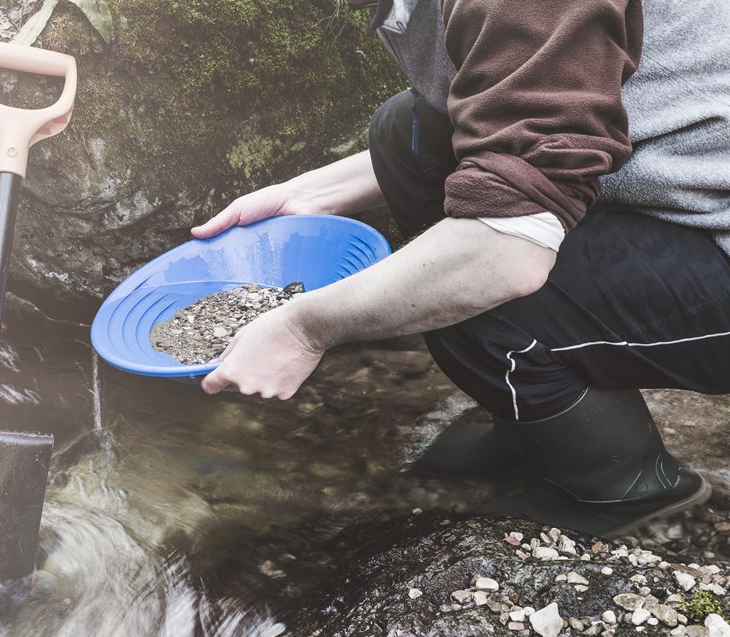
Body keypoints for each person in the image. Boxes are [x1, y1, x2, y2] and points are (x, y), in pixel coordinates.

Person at [189, 0, 730, 536]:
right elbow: (518, 125)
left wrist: (301, 330)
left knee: (471, 297)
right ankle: (543, 419)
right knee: (409, 132)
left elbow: (502, 261)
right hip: (683, 182)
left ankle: (631, 489)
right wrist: (306, 195)